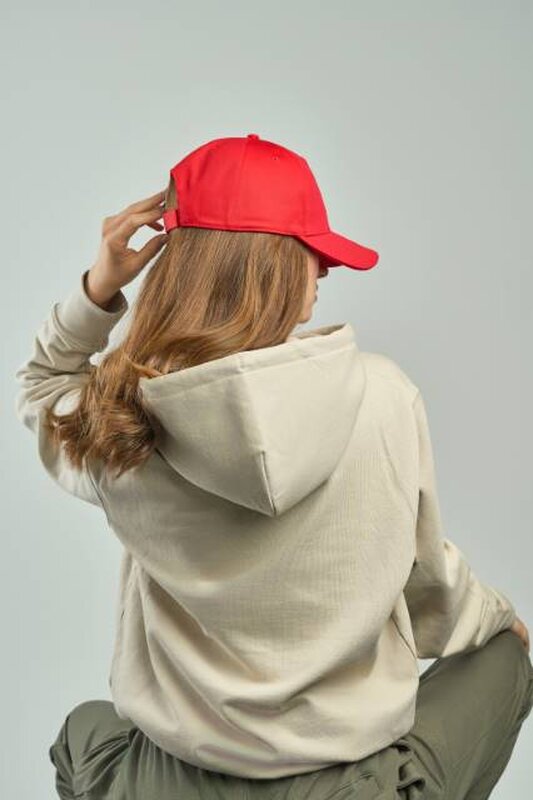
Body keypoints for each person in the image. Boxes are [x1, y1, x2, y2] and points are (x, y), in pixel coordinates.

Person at [15, 134, 532, 800]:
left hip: (168, 780)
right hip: (353, 786)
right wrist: (497, 617)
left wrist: (99, 288)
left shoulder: (120, 422)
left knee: (83, 733)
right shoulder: (381, 395)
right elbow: (423, 574)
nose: (324, 272)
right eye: (312, 253)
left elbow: (42, 384)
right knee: (503, 654)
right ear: (279, 268)